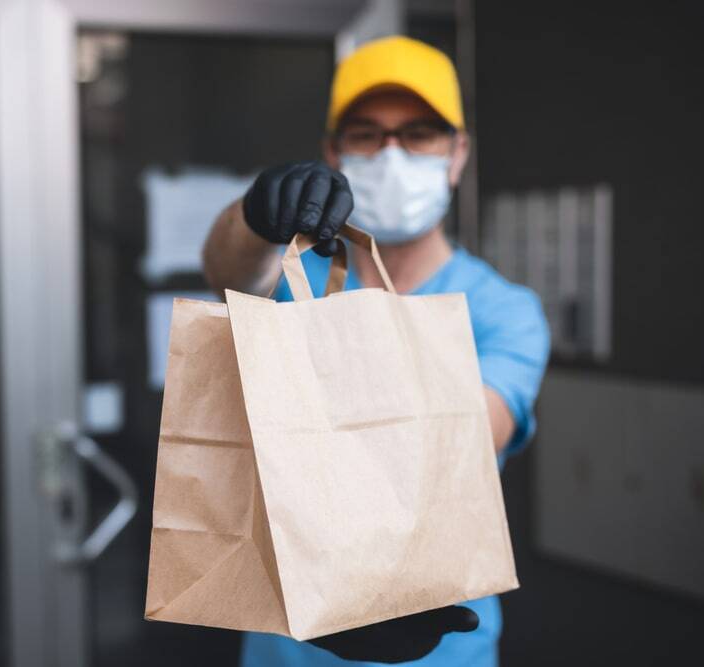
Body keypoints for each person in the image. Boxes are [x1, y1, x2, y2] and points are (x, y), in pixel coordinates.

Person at [201, 35, 550, 666]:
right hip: (286, 645)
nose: (392, 153)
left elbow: (469, 440)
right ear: (335, 152)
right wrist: (255, 216)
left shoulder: (503, 310)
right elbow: (226, 270)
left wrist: (369, 580)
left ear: (457, 152)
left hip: (443, 646)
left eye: (418, 133)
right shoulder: (289, 284)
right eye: (366, 134)